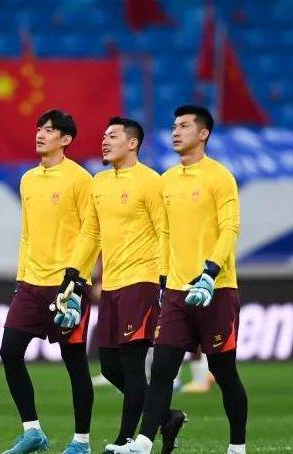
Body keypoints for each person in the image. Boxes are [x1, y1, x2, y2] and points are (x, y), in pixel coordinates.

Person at [113, 105, 247, 454]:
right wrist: (162, 280)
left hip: (216, 289)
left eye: (184, 126)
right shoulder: (167, 181)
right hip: (175, 292)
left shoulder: (220, 177)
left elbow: (230, 228)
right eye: (174, 126)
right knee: (161, 371)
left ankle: (237, 446)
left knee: (224, 372)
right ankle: (144, 442)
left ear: (203, 133)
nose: (175, 132)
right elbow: (165, 233)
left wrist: (210, 272)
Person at [57, 117, 185, 453]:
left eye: (112, 135)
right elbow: (91, 233)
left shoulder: (151, 181)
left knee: (131, 363)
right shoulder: (99, 183)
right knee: (110, 366)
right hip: (111, 286)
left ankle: (125, 438)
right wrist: (74, 271)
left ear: (132, 143)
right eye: (103, 135)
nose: (104, 140)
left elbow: (164, 231)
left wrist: (164, 277)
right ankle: (165, 416)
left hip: (141, 282)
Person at [0, 109, 97, 454]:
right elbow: (27, 234)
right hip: (30, 283)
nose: (41, 134)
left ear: (66, 140)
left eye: (50, 130)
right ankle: (32, 432)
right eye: (39, 128)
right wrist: (21, 276)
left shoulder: (81, 179)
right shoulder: (28, 180)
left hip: (66, 286)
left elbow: (92, 233)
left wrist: (80, 283)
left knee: (75, 363)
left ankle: (81, 442)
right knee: (9, 352)